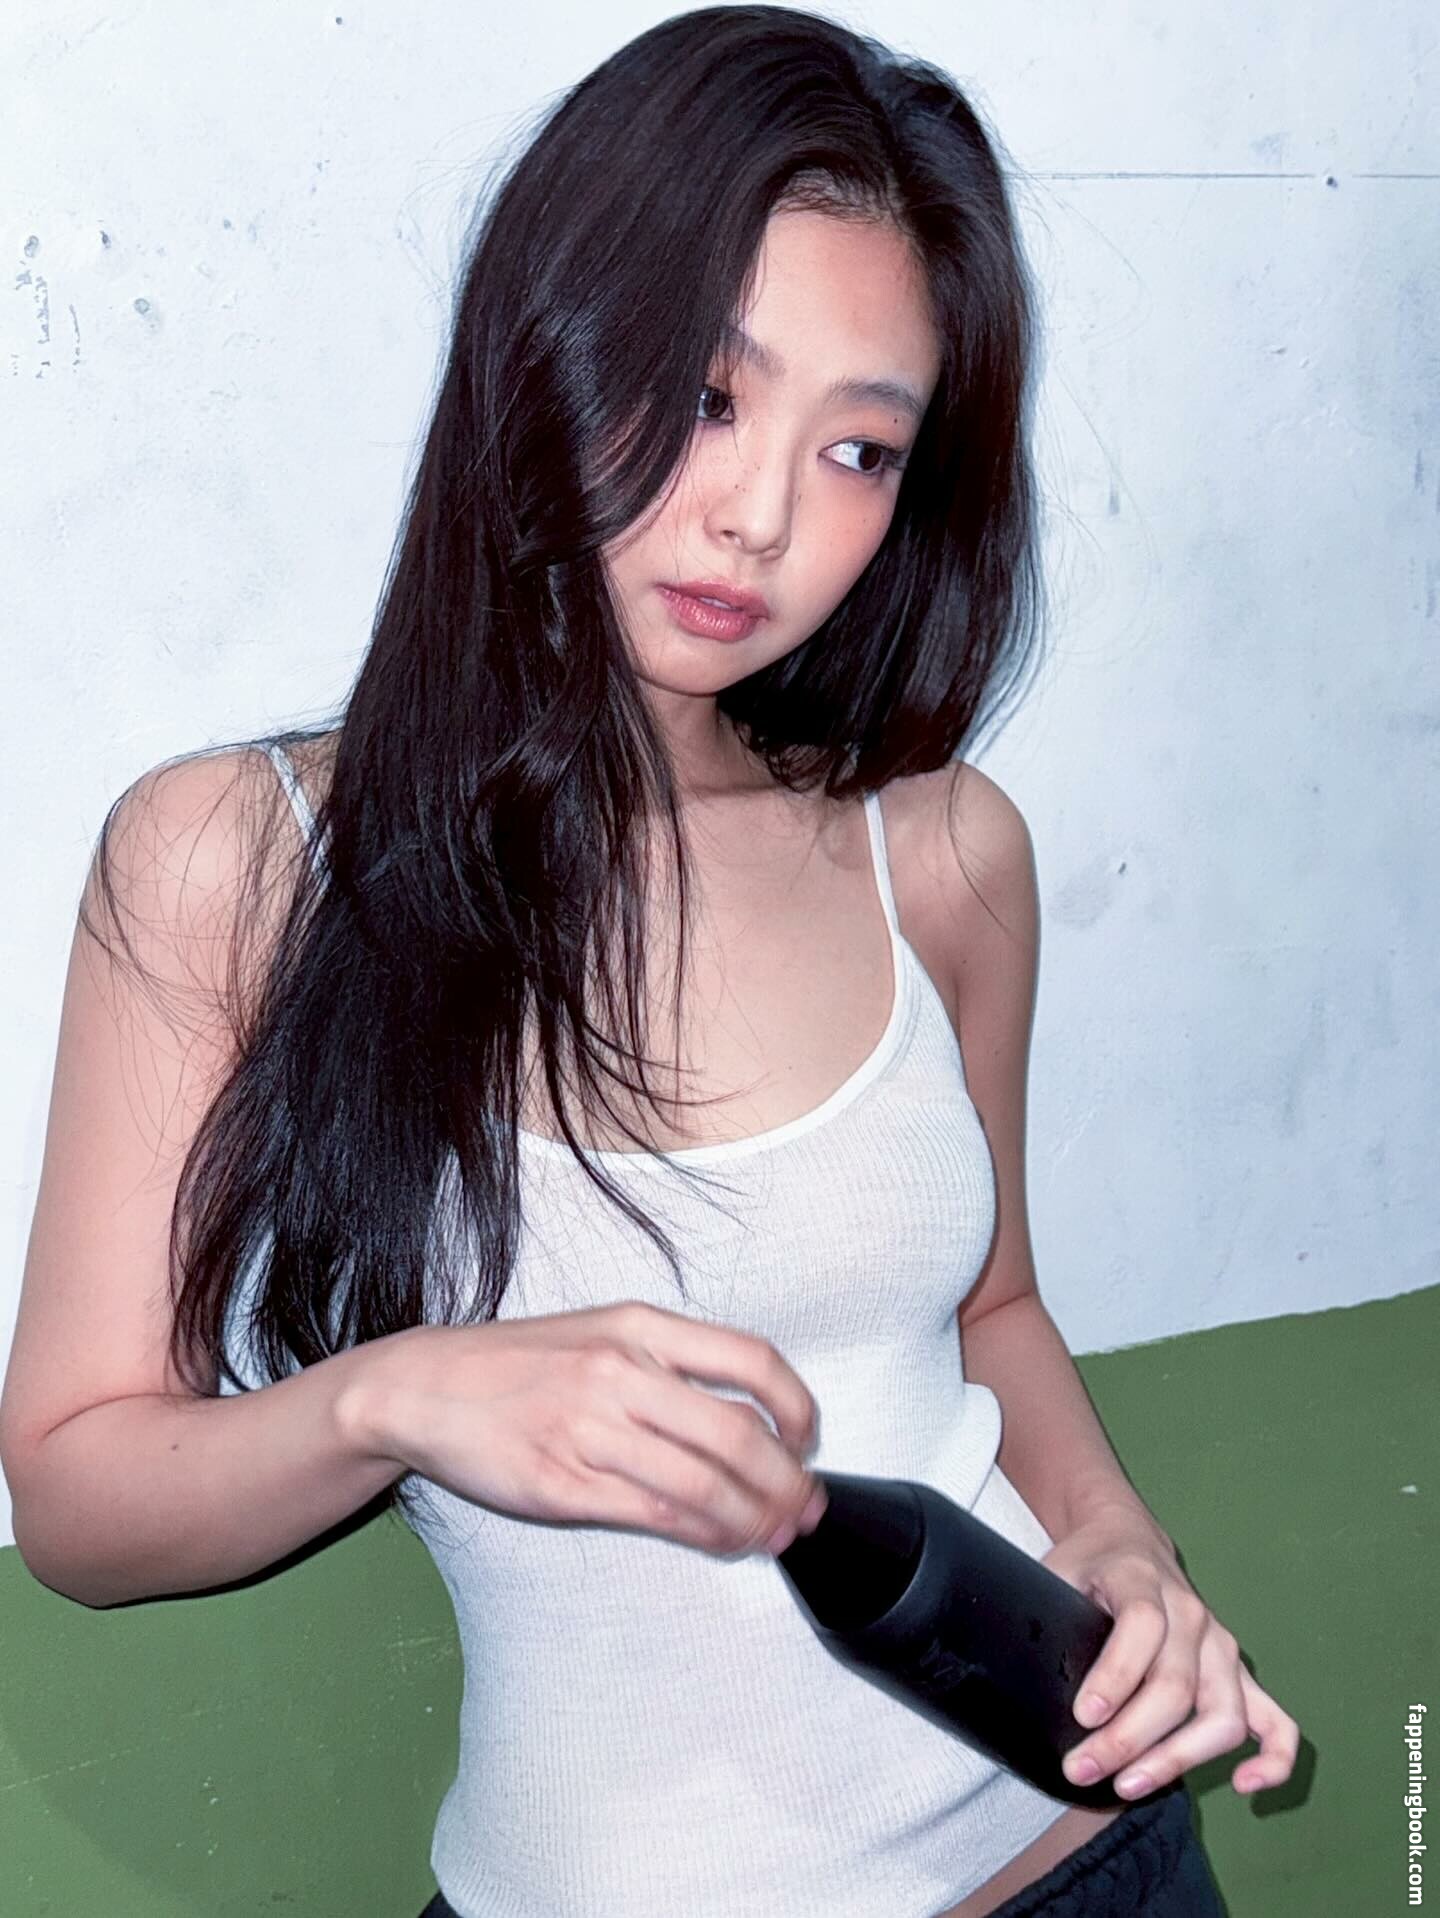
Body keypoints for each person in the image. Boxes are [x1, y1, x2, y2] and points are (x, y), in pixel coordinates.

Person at [0, 7, 1298, 1914]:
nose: (762, 517)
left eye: (859, 448)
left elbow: (997, 1308)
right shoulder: (238, 862)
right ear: (547, 346)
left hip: (1087, 1864)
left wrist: (1120, 1550)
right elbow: (75, 1494)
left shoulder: (940, 851)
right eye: (705, 396)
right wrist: (399, 1395)